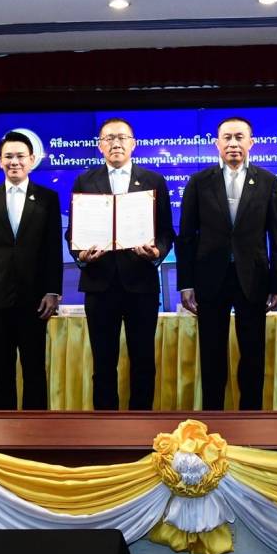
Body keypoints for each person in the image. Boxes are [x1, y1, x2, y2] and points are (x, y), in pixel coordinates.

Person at [176, 117, 277, 410]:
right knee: (212, 354)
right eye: (227, 138)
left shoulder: (268, 181)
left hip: (254, 278)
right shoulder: (199, 182)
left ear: (251, 142)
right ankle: (213, 418)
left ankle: (252, 419)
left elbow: (276, 235)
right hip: (210, 278)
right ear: (217, 144)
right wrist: (185, 283)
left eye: (239, 137)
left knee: (253, 354)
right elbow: (186, 237)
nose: (233, 143)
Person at [66, 118, 174, 410]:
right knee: (103, 363)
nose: (116, 143)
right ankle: (105, 427)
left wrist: (157, 252)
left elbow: (166, 232)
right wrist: (80, 255)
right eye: (109, 138)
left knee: (143, 362)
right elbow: (73, 232)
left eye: (122, 138)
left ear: (133, 144)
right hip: (100, 285)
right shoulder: (85, 181)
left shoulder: (153, 181)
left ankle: (141, 426)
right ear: (100, 146)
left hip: (141, 284)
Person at [0, 131, 62, 410]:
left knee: (35, 369)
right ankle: (3, 429)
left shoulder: (47, 198)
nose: (14, 162)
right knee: (2, 370)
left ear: (32, 160)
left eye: (20, 156)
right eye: (8, 156)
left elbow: (53, 248)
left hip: (35, 298)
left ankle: (37, 429)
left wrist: (53, 290)